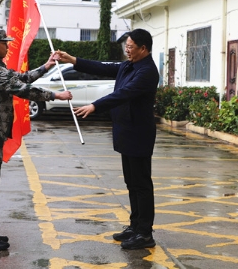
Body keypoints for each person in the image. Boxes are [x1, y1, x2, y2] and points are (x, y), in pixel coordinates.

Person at [0, 27, 72, 251]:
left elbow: (21, 77)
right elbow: (24, 89)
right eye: (4, 42)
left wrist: (46, 67)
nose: (7, 46)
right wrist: (56, 95)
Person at [56, 28, 160, 250]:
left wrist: (95, 105)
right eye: (126, 46)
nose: (127, 50)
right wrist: (72, 59)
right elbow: (101, 67)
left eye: (130, 47)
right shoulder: (128, 66)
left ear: (143, 48)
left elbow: (124, 93)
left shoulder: (147, 71)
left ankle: (145, 233)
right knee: (131, 182)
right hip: (126, 131)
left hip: (139, 134)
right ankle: (135, 226)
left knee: (142, 184)